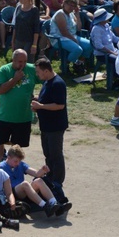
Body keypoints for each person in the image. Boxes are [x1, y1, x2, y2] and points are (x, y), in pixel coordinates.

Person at [0, 144, 71, 218]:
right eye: (15, 161)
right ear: (8, 157)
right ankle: (45, 206)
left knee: (39, 180)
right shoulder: (1, 167)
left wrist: (42, 170)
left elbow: (36, 174)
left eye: (19, 161)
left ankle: (55, 204)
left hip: (24, 190)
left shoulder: (20, 164)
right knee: (25, 184)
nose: (17, 163)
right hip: (12, 192)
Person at [29, 57, 69, 186]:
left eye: (38, 72)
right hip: (46, 125)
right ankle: (51, 177)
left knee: (55, 154)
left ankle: (57, 181)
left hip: (55, 126)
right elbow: (46, 100)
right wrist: (37, 101)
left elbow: (59, 105)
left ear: (46, 71)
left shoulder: (58, 83)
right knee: (48, 153)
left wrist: (40, 106)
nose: (37, 74)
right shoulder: (46, 82)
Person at [0, 49, 39, 157]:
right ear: (13, 60)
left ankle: (13, 170)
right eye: (19, 61)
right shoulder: (4, 70)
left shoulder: (31, 69)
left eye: (24, 61)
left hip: (23, 117)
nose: (22, 64)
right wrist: (15, 79)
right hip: (5, 116)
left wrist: (40, 97)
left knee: (17, 149)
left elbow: (46, 80)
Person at [50, 0, 93, 67]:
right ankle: (65, 64)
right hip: (59, 38)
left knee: (89, 45)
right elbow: (64, 32)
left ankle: (79, 63)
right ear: (64, 3)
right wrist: (74, 40)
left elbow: (78, 28)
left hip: (72, 36)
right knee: (77, 49)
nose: (71, 7)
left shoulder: (71, 14)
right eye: (70, 5)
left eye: (73, 6)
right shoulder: (60, 14)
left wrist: (77, 14)